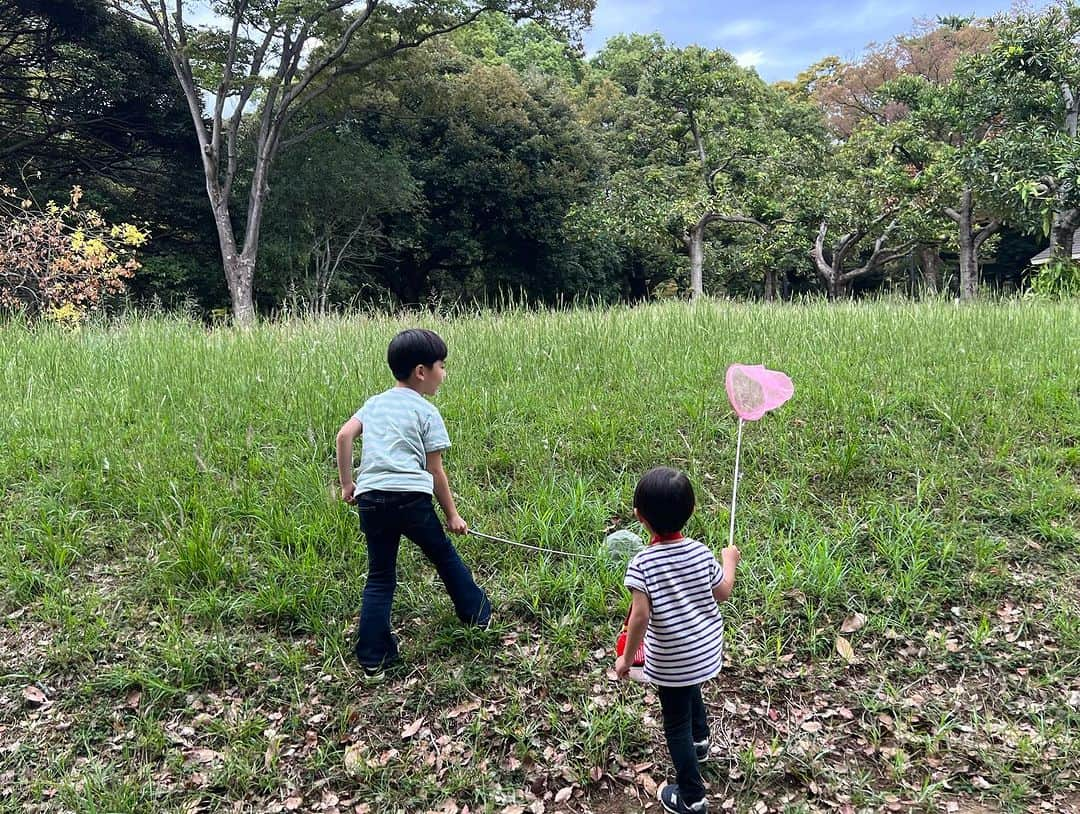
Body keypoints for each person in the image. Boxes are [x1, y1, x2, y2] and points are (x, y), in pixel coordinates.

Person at [336, 328, 491, 680]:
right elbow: (435, 471)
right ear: (422, 371)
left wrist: (348, 484)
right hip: (411, 499)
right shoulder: (426, 412)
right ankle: (478, 615)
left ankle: (374, 659)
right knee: (444, 556)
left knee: (380, 576)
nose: (444, 372)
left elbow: (344, 435)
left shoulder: (373, 403)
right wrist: (452, 515)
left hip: (371, 499)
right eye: (442, 365)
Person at [614, 467, 740, 814]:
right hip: (704, 651)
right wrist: (729, 562)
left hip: (671, 659)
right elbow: (723, 591)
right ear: (692, 511)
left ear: (640, 517)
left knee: (675, 724)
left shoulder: (643, 563)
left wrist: (626, 659)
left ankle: (692, 796)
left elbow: (639, 617)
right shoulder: (700, 552)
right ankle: (701, 742)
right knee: (691, 688)